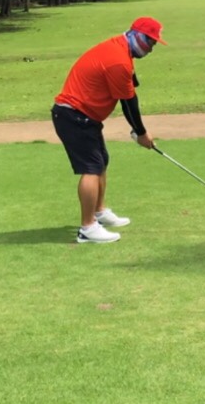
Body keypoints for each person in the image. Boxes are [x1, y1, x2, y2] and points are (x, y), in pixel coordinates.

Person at [51, 17, 167, 244]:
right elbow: (128, 103)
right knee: (91, 168)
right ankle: (87, 228)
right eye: (150, 42)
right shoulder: (118, 61)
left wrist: (139, 131)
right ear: (136, 35)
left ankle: (99, 212)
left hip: (83, 116)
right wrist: (141, 133)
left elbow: (131, 92)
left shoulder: (121, 49)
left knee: (101, 161)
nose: (151, 49)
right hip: (74, 116)